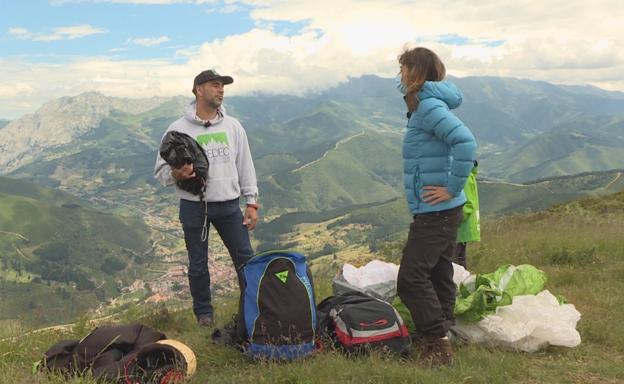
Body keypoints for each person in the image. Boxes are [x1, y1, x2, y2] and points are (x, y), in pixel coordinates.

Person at [154, 69, 259, 327]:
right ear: (199, 90)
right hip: (193, 206)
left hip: (228, 204)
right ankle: (204, 315)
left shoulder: (233, 126)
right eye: (215, 85)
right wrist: (177, 174)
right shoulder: (177, 128)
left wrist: (251, 202)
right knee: (198, 264)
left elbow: (245, 164)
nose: (221, 89)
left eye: (222, 86)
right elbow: (160, 172)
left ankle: (251, 310)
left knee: (245, 259)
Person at [394, 47, 477, 367]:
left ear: (415, 72)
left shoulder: (428, 105)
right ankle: (444, 331)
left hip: (437, 211)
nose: (400, 75)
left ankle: (437, 346)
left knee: (411, 279)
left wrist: (452, 187)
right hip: (442, 211)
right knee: (440, 272)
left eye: (403, 69)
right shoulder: (427, 104)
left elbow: (466, 142)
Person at [454, 160, 480, 269]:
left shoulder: (464, 179)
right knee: (459, 259)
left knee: (453, 261)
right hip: (463, 228)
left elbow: (468, 204)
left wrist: (453, 220)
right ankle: (462, 282)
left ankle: (456, 284)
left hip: (460, 228)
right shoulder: (467, 176)